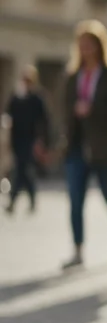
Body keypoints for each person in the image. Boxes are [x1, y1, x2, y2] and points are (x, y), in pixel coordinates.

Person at [61, 21, 107, 269]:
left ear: (100, 47)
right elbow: (66, 111)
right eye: (82, 46)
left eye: (90, 46)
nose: (86, 50)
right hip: (78, 146)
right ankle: (78, 250)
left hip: (106, 146)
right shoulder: (73, 77)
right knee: (76, 199)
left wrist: (92, 110)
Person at [4, 65, 49, 215]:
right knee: (23, 170)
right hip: (17, 139)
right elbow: (8, 115)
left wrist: (42, 140)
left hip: (31, 139)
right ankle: (31, 200)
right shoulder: (17, 97)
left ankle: (13, 201)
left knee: (21, 170)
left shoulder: (37, 98)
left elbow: (44, 121)